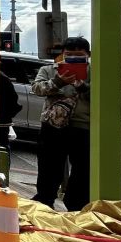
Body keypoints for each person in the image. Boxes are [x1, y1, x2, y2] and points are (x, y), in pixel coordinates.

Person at [32, 36, 91, 211]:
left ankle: (76, 206)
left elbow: (111, 97)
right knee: (49, 168)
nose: (73, 58)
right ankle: (44, 202)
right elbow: (37, 89)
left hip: (83, 127)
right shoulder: (49, 70)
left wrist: (82, 86)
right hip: (52, 127)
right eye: (69, 54)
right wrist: (58, 81)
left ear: (88, 55)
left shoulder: (98, 72)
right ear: (63, 55)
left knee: (82, 170)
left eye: (79, 55)